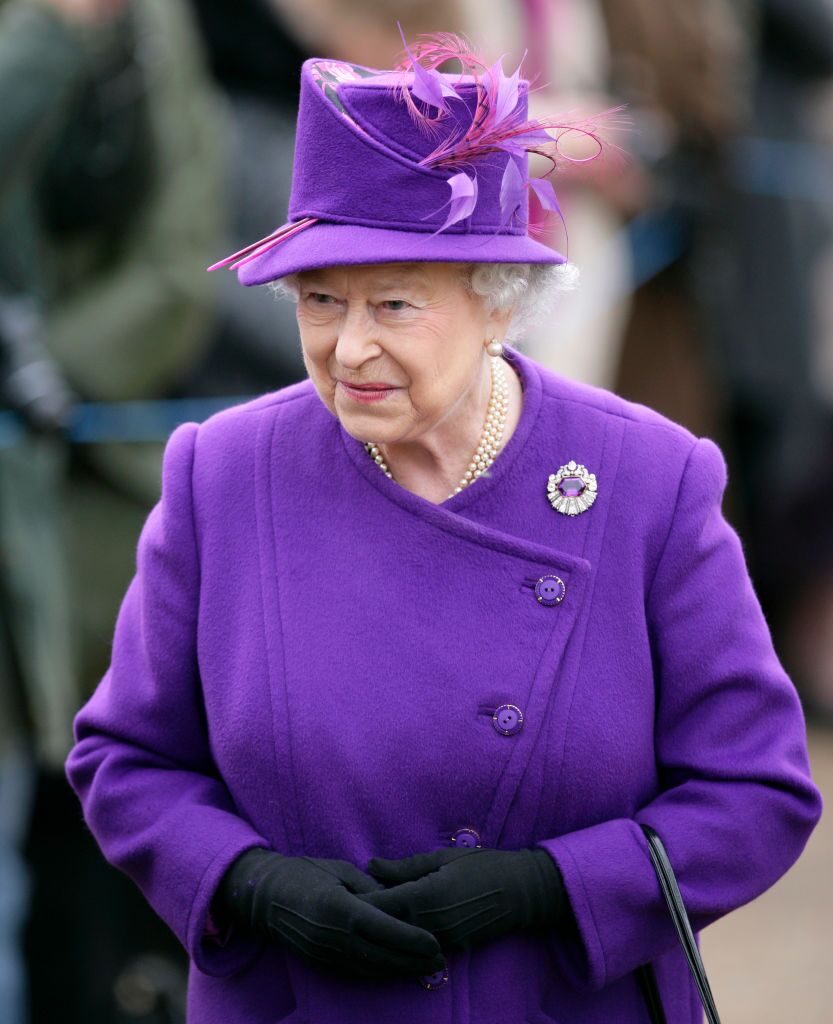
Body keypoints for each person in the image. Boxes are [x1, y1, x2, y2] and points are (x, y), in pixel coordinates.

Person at [64, 31, 823, 1024]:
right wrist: (249, 882)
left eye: (393, 303)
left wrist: (553, 885)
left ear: (496, 304)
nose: (349, 348)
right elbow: (124, 760)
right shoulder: (223, 473)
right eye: (319, 301)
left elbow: (754, 790)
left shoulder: (647, 480)